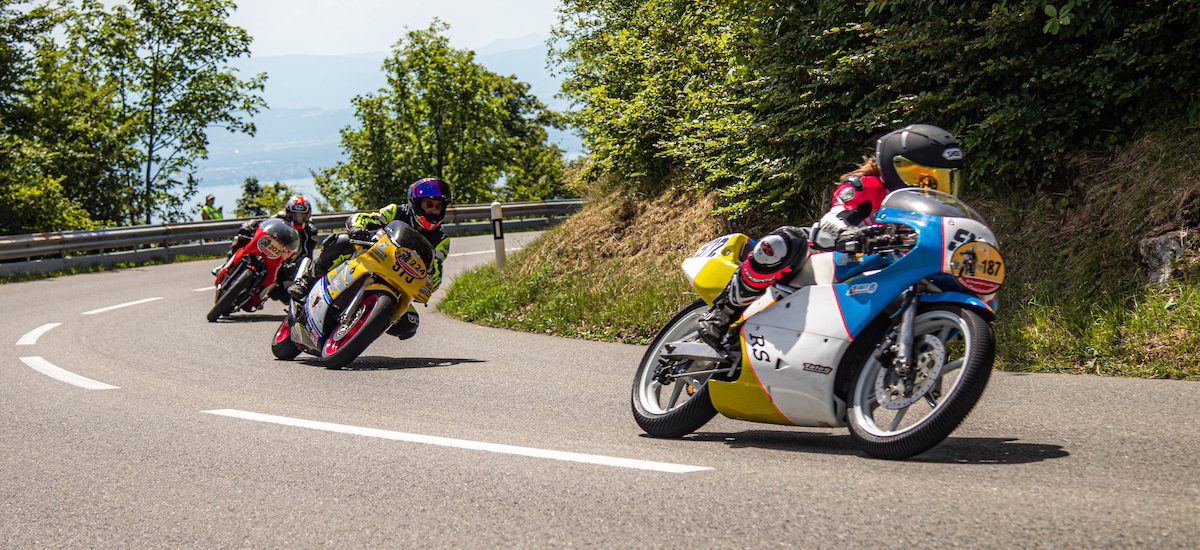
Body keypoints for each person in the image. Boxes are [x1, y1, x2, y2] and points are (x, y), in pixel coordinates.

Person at [696, 123, 965, 351]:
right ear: (896, 168)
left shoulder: (930, 213)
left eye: (940, 181)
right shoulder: (868, 187)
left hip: (880, 277)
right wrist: (845, 232)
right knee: (782, 242)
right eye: (923, 178)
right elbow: (836, 217)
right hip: (827, 258)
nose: (930, 188)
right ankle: (722, 313)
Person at [288, 177, 453, 340]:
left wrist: (430, 281)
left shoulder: (441, 239)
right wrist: (357, 227)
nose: (433, 211)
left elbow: (436, 268)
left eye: (438, 206)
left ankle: (358, 332)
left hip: (399, 282)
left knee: (408, 325)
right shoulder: (396, 211)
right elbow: (367, 218)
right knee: (340, 241)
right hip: (372, 258)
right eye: (429, 205)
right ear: (416, 203)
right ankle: (306, 281)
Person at [212, 196, 318, 301]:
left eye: (301, 216)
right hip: (266, 246)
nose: (298, 219)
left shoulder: (310, 231)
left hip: (285, 259)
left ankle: (262, 294)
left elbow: (307, 254)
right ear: (288, 211)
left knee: (285, 293)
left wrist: (296, 266)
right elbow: (263, 224)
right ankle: (226, 264)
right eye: (294, 215)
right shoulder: (279, 217)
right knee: (241, 239)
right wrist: (250, 225)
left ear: (308, 215)